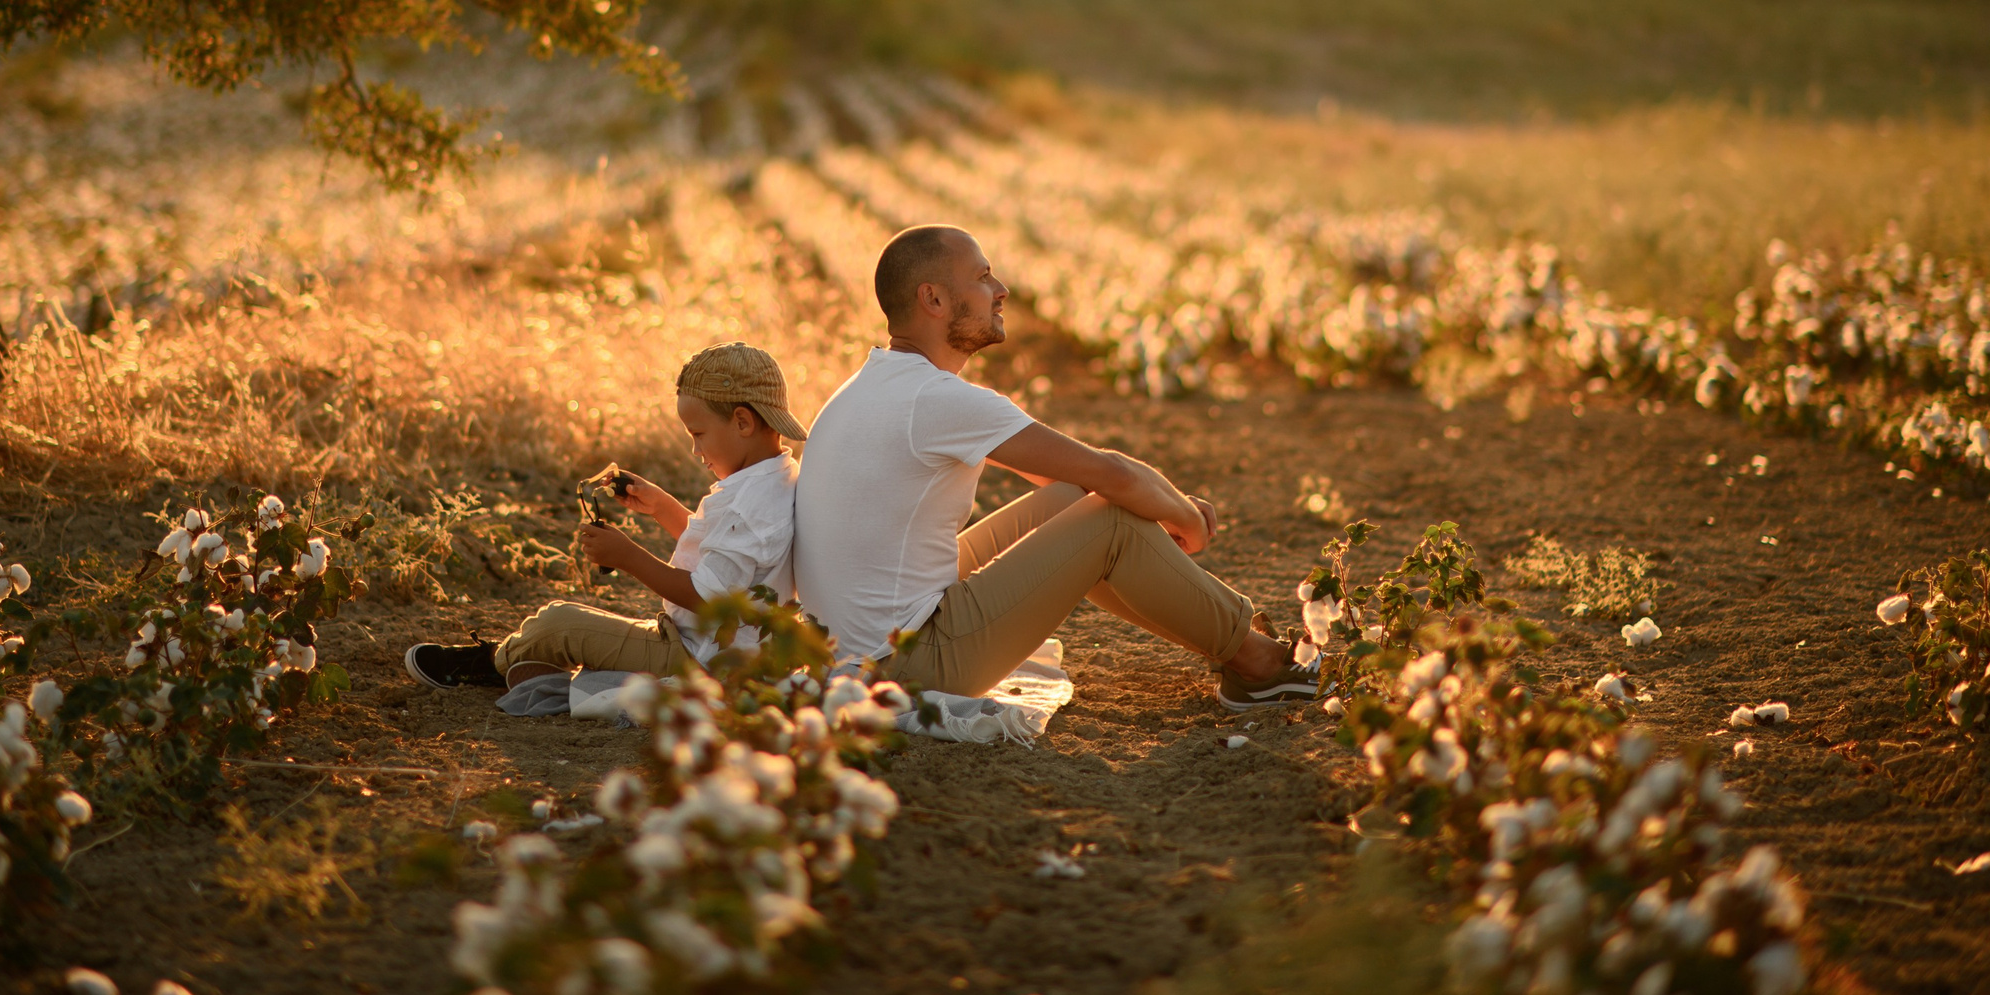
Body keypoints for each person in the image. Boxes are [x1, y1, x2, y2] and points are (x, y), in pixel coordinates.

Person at [793, 226, 1321, 711]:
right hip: (906, 666)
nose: (1001, 290)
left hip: (856, 654)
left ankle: (1235, 648)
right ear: (933, 299)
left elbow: (1082, 483)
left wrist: (1153, 505)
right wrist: (1185, 517)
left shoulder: (866, 386)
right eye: (982, 277)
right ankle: (1258, 662)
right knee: (1111, 519)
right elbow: (1114, 476)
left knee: (1073, 500)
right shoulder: (935, 398)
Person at [403, 343, 802, 691]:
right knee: (573, 626)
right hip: (704, 647)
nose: (696, 451)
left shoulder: (749, 505)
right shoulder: (772, 482)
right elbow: (728, 558)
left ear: (743, 421)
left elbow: (706, 597)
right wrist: (662, 507)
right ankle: (533, 665)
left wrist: (628, 557)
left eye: (698, 434)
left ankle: (486, 665)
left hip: (696, 659)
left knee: (559, 622)